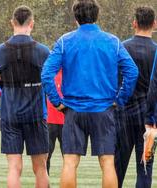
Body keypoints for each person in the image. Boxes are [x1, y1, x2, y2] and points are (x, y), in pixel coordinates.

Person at [41, 0, 139, 187]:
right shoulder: (113, 42)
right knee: (107, 162)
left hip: (73, 111)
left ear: (76, 18)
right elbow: (132, 72)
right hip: (103, 110)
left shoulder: (64, 41)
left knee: (70, 161)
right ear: (97, 16)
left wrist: (57, 102)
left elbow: (46, 74)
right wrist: (120, 99)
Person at [0, 5, 50, 188]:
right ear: (31, 24)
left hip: (10, 114)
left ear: (12, 23)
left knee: (14, 168)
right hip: (35, 114)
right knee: (40, 168)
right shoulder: (43, 51)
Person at [114, 6, 157, 188]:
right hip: (149, 120)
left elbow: (115, 82)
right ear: (154, 24)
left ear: (134, 23)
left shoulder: (122, 48)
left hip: (123, 115)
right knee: (145, 169)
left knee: (117, 168)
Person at [46, 70, 64, 175]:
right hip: (50, 121)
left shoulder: (69, 74)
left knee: (68, 157)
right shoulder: (48, 73)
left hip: (66, 122)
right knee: (46, 156)